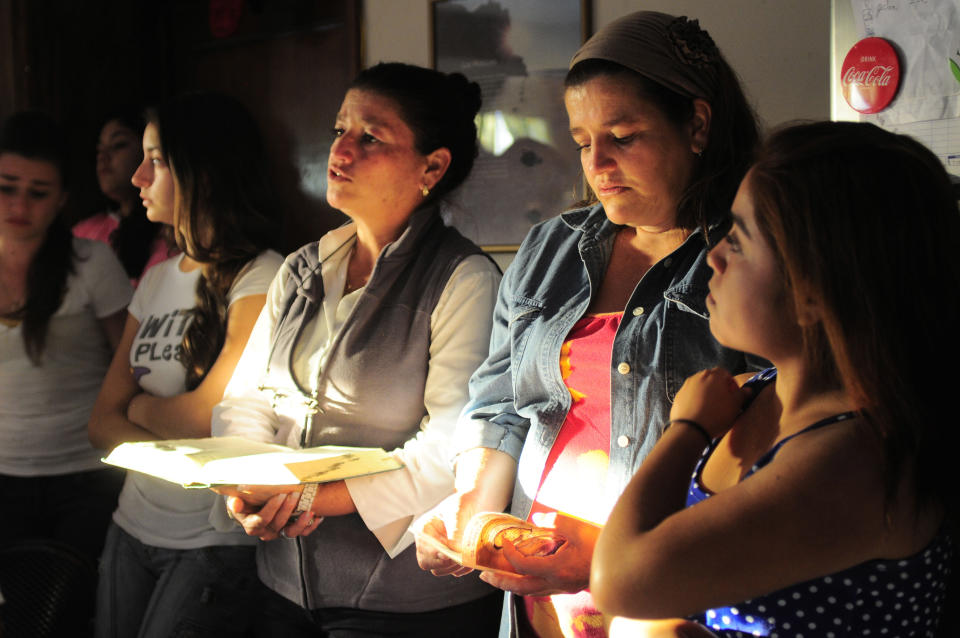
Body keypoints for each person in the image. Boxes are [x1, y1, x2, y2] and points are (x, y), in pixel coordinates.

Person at [416, 10, 762, 637]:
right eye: (582, 141)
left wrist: (609, 551)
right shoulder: (551, 250)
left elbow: (764, 458)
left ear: (698, 125)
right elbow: (501, 407)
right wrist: (470, 509)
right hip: (543, 602)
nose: (597, 163)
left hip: (669, 595)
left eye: (624, 136)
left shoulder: (744, 262)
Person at [591, 121, 958, 637]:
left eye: (739, 241)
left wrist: (686, 431)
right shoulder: (751, 391)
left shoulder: (857, 458)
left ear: (812, 290)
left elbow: (621, 581)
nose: (713, 256)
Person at [211, 62, 503, 637]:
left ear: (433, 166)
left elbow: (451, 450)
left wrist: (312, 496)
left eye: (370, 137)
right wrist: (249, 485)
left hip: (405, 604)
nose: (341, 150)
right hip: (282, 589)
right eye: (340, 130)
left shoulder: (463, 279)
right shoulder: (301, 270)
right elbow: (247, 400)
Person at [88, 92, 284, 638]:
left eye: (155, 160)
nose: (136, 178)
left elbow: (208, 414)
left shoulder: (263, 274)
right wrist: (163, 420)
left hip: (208, 545)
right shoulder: (155, 280)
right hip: (131, 525)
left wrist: (140, 405)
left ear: (203, 171)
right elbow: (99, 422)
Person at [0, 111, 132, 633]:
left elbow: (130, 364)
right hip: (3, 476)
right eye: (7, 187)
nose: (19, 205)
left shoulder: (91, 262)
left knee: (68, 618)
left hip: (85, 477)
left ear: (60, 200)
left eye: (38, 192)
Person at [73, 109, 174, 286]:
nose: (103, 158)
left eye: (118, 145)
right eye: (99, 150)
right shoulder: (84, 232)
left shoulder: (173, 238)